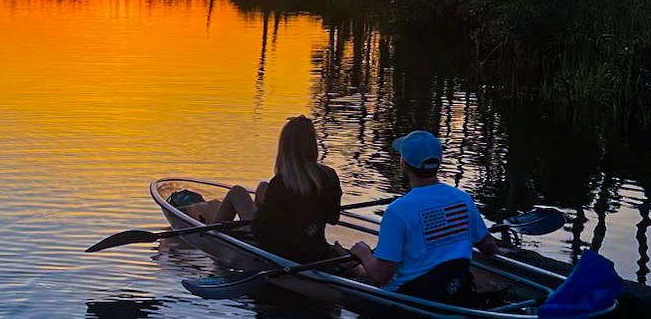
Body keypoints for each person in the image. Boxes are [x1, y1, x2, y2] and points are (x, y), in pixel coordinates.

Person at [350, 131, 500, 305]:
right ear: (438, 162)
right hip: (455, 289)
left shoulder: (397, 211)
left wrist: (363, 253)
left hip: (409, 298)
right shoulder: (463, 199)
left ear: (404, 165)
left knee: (359, 270)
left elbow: (381, 276)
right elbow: (487, 245)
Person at [213, 115, 343, 262]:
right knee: (263, 187)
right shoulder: (329, 175)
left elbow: (260, 230)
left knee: (237, 192)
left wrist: (245, 227)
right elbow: (333, 218)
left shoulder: (282, 182)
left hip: (281, 251)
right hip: (314, 248)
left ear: (285, 147)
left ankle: (210, 239)